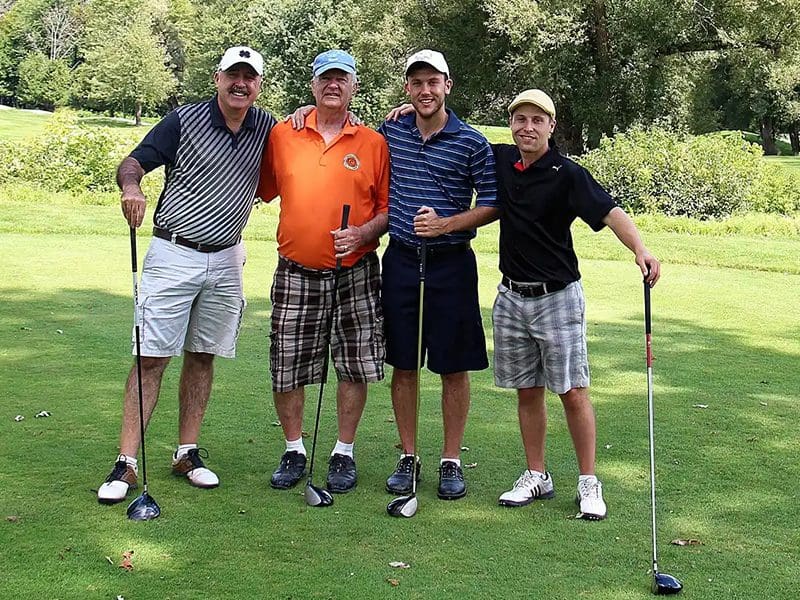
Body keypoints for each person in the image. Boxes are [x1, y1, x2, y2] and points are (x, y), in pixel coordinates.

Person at [97, 46, 277, 504]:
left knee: (202, 356)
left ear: (258, 85)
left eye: (249, 77)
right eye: (232, 75)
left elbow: (317, 126)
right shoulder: (184, 119)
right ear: (217, 78)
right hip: (175, 251)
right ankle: (126, 463)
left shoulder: (267, 126)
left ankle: (187, 453)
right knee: (152, 357)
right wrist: (133, 187)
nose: (240, 84)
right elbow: (133, 161)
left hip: (227, 257)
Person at [492, 89, 661, 520]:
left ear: (551, 126)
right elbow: (447, 131)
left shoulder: (567, 174)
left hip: (558, 298)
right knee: (527, 391)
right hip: (511, 296)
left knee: (572, 391)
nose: (527, 127)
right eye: (520, 119)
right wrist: (405, 111)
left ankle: (588, 480)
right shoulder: (502, 162)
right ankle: (537, 474)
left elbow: (610, 212)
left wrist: (639, 250)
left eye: (537, 120)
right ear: (512, 124)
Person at [257, 50, 389, 494]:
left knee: (354, 364)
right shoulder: (283, 134)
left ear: (353, 87)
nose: (333, 85)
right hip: (297, 270)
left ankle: (343, 453)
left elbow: (389, 210)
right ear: (313, 86)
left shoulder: (373, 142)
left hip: (355, 270)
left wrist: (363, 232)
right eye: (325, 79)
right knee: (287, 362)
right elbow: (262, 189)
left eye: (342, 79)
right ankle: (294, 449)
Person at [379, 50, 498, 501]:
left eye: (434, 82)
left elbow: (490, 204)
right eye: (417, 83)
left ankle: (450, 459)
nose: (425, 91)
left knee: (452, 367)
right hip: (403, 260)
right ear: (407, 89)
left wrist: (447, 223)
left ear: (448, 85)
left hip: (451, 264)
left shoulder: (471, 141)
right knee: (404, 363)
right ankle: (408, 456)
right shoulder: (392, 129)